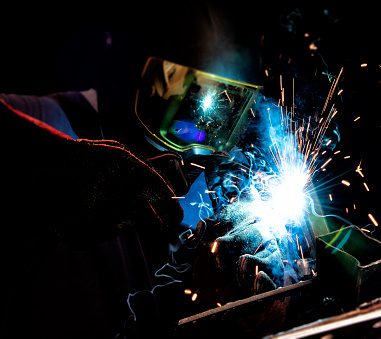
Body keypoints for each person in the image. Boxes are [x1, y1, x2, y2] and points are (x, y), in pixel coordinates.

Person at [0, 3, 276, 338]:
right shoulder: (56, 120)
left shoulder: (219, 183)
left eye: (226, 106)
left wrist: (249, 305)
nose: (201, 127)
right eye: (194, 94)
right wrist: (52, 161)